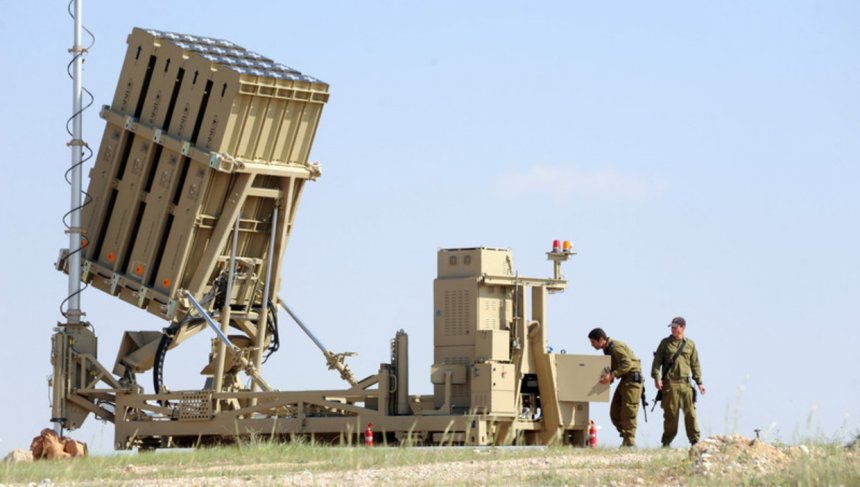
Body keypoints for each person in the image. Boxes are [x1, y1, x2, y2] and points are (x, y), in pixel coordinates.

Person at [650, 316, 706, 447]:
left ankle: (695, 442)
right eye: (672, 327)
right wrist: (657, 378)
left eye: (675, 327)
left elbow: (695, 364)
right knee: (671, 416)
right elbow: (656, 362)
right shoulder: (665, 343)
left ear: (683, 328)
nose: (673, 330)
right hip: (670, 385)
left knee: (690, 414)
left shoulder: (690, 344)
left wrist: (699, 383)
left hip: (686, 385)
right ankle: (666, 442)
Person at [588, 327, 643, 447]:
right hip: (625, 379)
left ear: (601, 339)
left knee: (628, 412)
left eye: (593, 342)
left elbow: (627, 364)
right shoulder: (607, 349)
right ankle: (626, 439)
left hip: (632, 380)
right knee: (615, 413)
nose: (592, 345)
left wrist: (612, 375)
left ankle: (630, 442)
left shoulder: (615, 347)